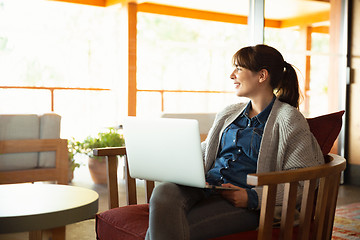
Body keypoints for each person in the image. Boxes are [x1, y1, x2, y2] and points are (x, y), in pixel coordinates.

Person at [145, 44, 324, 240]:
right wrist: (168, 155)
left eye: (239, 68)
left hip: (245, 204)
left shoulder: (289, 119)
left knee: (175, 226)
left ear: (262, 76)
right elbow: (207, 151)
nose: (232, 75)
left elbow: (302, 181)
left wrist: (252, 197)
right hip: (208, 187)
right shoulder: (229, 113)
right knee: (164, 191)